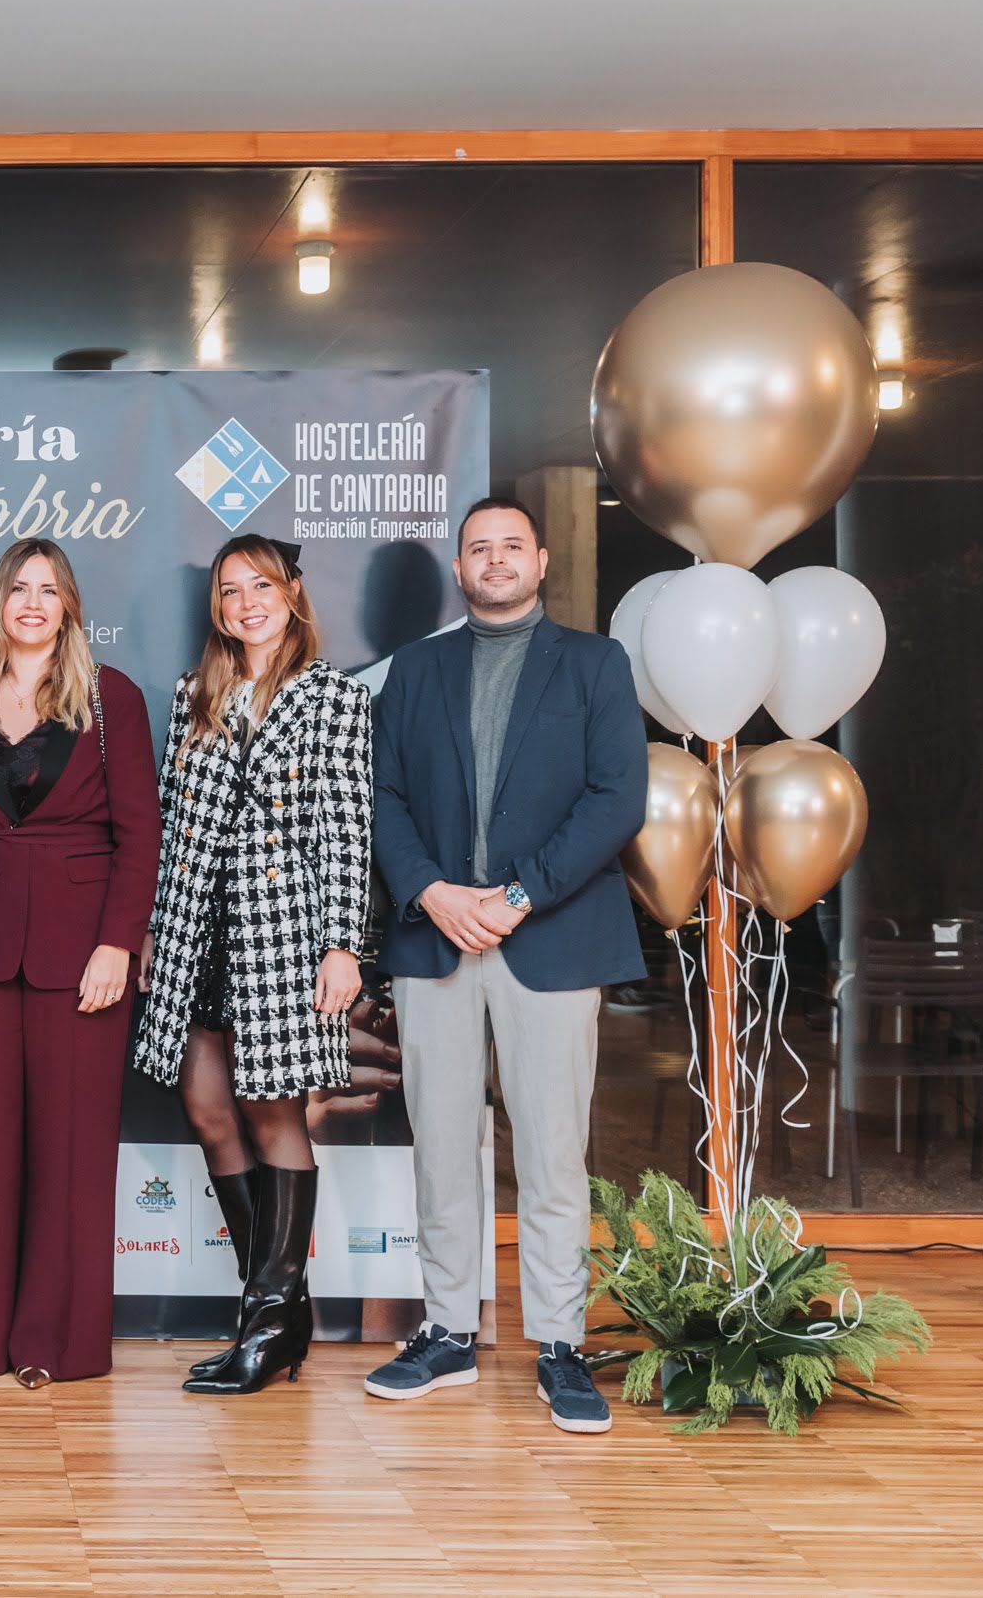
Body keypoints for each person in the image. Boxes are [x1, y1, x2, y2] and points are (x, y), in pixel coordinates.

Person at [366, 495, 647, 1435]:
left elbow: (617, 798)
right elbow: (383, 795)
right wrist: (433, 891)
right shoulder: (417, 668)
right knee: (443, 1146)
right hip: (436, 938)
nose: (494, 559)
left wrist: (518, 895)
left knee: (553, 1154)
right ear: (458, 568)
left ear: (541, 560)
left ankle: (560, 1345)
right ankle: (447, 1330)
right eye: (477, 547)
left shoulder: (596, 664)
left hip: (552, 940)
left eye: (510, 545)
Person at [135, 533, 373, 1396]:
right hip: (195, 926)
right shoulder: (192, 693)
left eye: (262, 586)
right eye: (231, 590)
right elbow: (168, 819)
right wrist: (153, 927)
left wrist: (342, 942)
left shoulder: (334, 696)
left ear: (292, 593)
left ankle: (267, 1324)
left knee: (273, 1111)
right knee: (207, 1107)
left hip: (281, 933)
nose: (247, 603)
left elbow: (346, 828)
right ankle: (275, 1311)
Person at [0, 539, 159, 1388]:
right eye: (19, 588)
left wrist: (119, 941)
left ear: (70, 604)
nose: (33, 602)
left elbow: (141, 833)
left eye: (49, 589)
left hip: (85, 954)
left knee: (71, 1151)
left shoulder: (113, 697)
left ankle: (55, 1342)